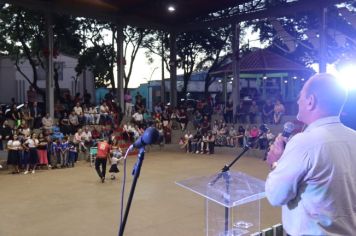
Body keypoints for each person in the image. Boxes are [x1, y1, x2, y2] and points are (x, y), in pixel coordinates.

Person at [265, 73, 356, 235]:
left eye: (300, 95)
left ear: (311, 101)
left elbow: (276, 195)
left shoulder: (304, 142)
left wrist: (275, 163)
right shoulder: (353, 137)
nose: (298, 101)